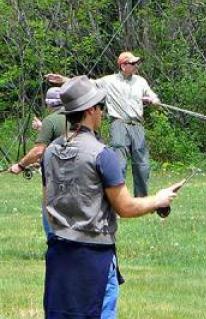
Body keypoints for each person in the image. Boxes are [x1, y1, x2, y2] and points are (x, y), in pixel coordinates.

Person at [42, 75, 183, 318]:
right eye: (100, 107)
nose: (102, 113)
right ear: (90, 110)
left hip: (59, 251)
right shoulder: (102, 154)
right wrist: (159, 200)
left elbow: (47, 200)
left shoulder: (50, 151)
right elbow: (125, 207)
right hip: (94, 255)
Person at [46, 51, 160, 197]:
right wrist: (63, 79)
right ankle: (119, 200)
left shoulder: (140, 81)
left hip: (137, 125)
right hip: (119, 124)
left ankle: (141, 201)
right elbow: (87, 84)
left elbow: (151, 94)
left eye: (136, 63)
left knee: (143, 166)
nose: (136, 66)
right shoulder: (109, 81)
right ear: (123, 65)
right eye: (132, 63)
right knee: (120, 165)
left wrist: (154, 99)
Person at [9, 87, 68, 239]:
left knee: (49, 206)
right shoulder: (77, 117)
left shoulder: (51, 121)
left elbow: (38, 151)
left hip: (55, 173)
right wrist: (43, 128)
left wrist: (20, 165)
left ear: (48, 104)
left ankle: (53, 240)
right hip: (80, 171)